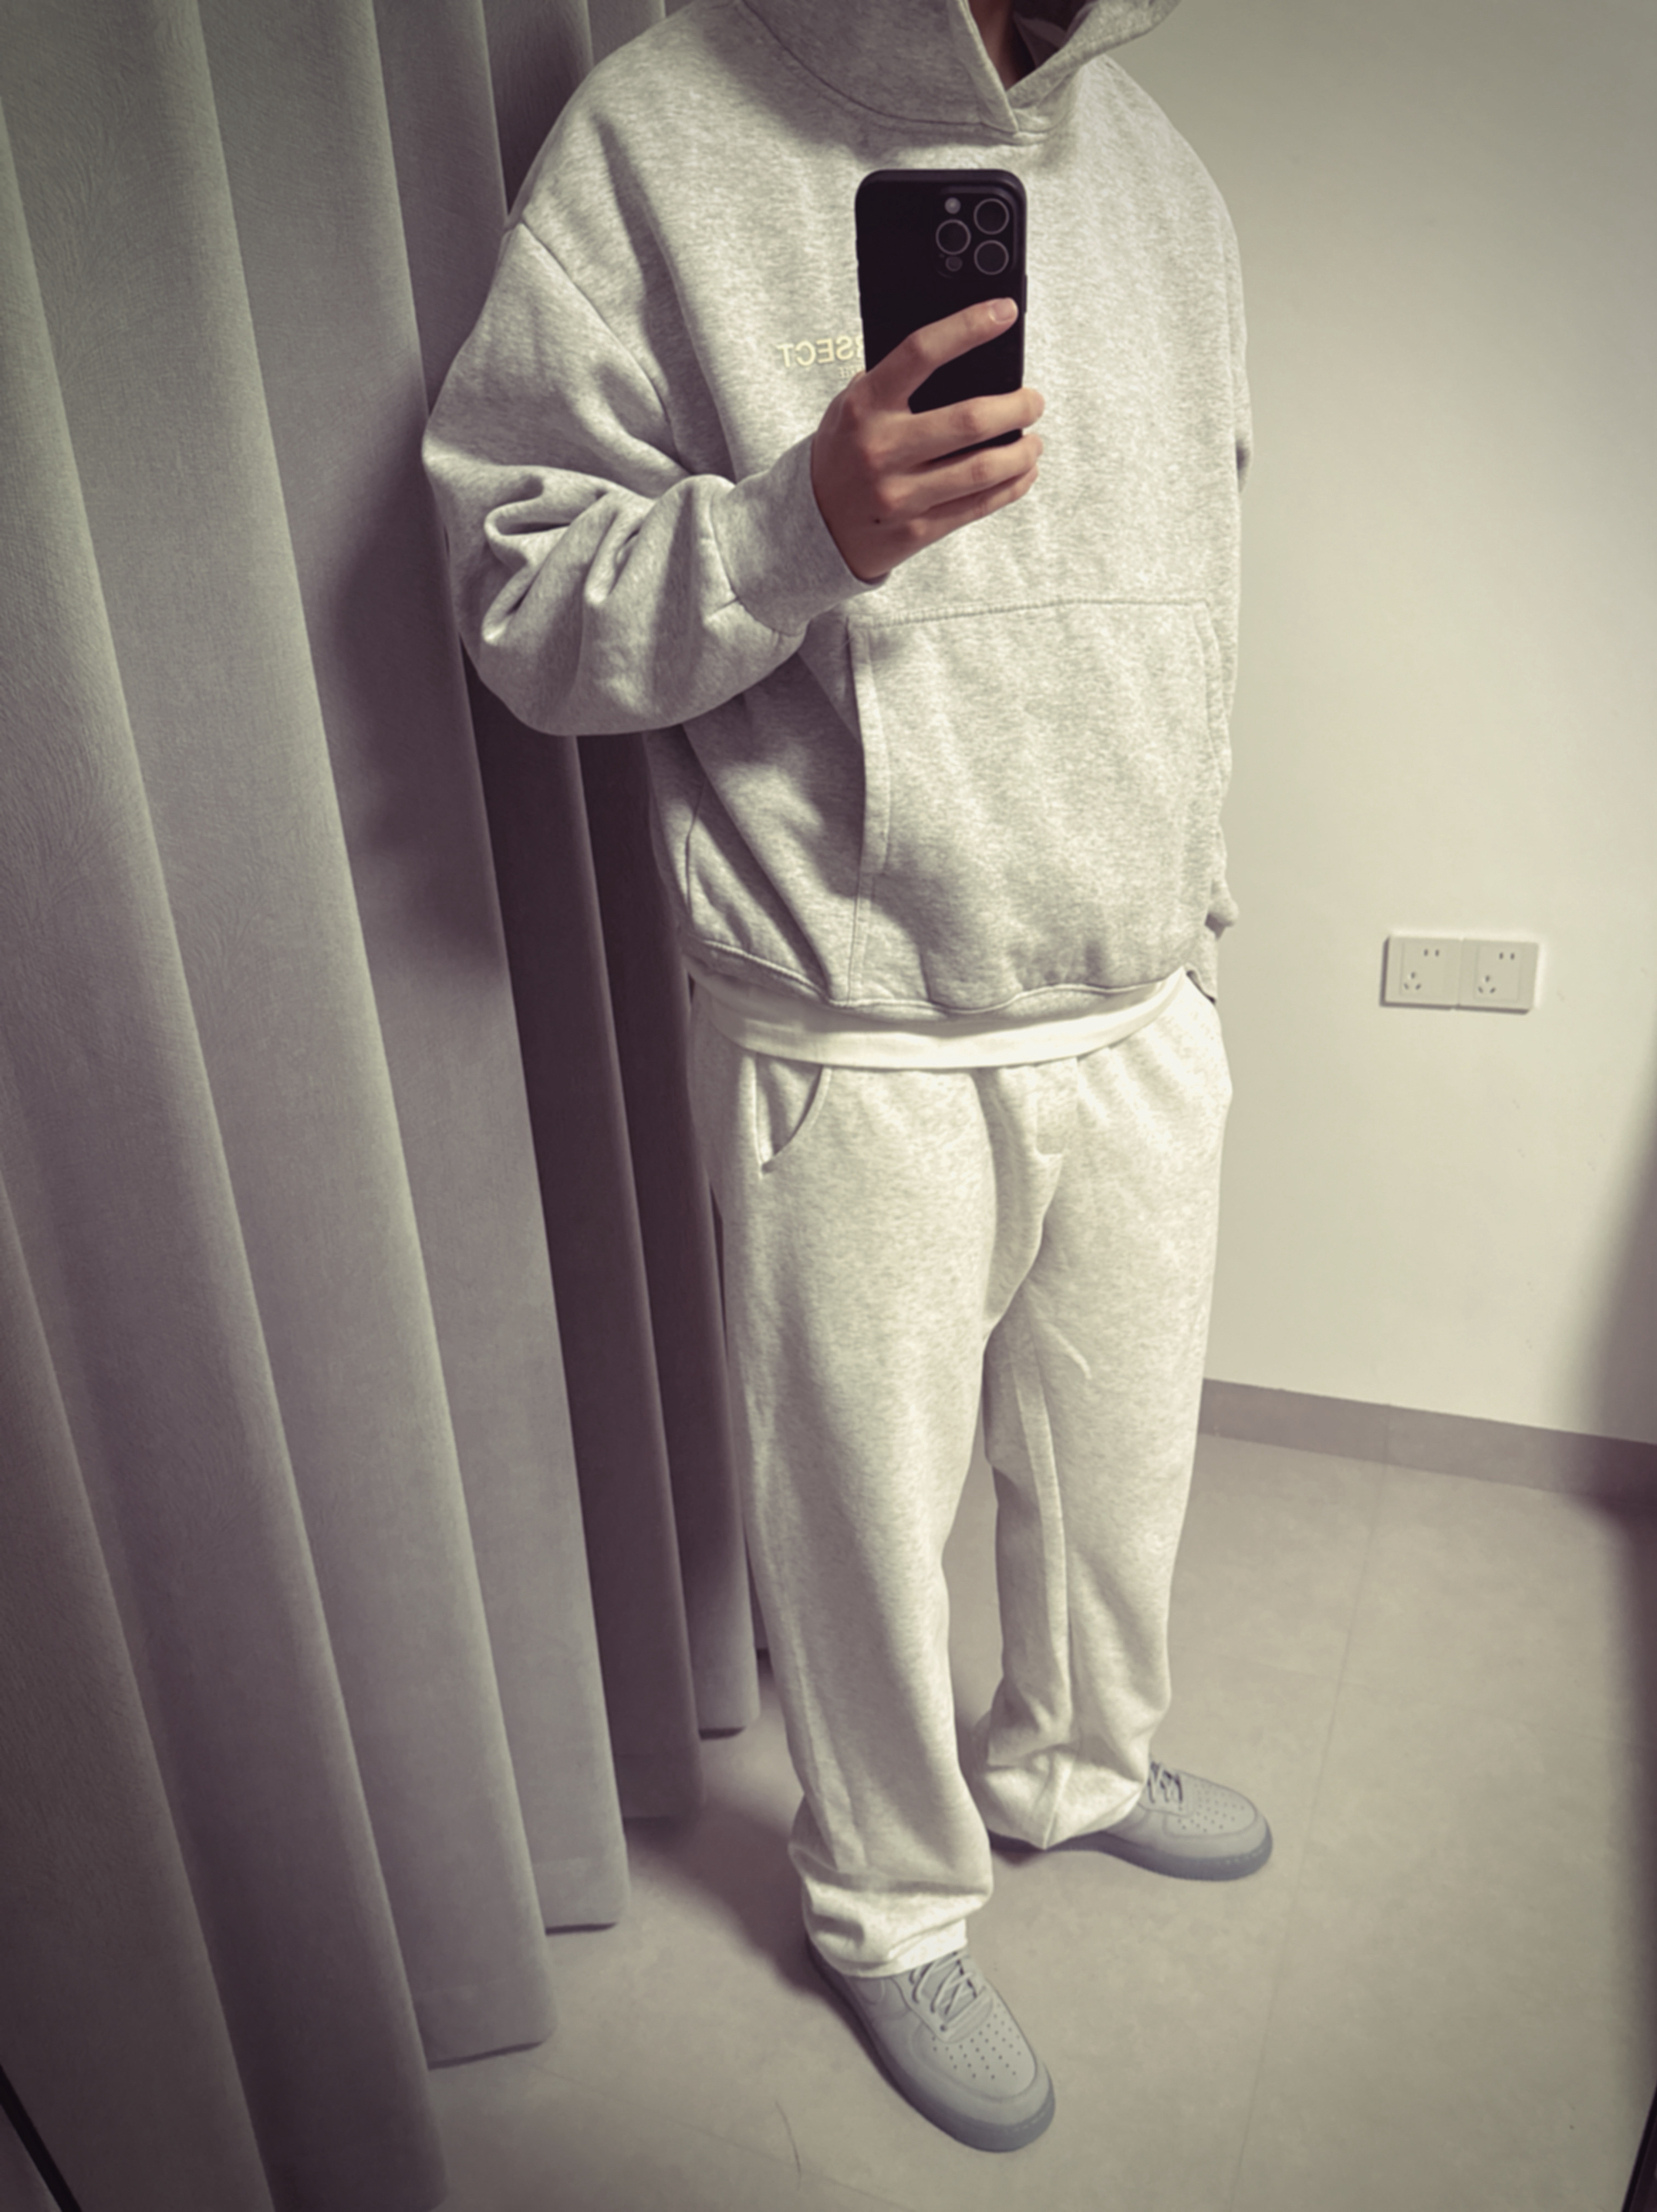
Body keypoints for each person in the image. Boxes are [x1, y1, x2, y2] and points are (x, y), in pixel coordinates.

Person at [424, 0, 1267, 2156]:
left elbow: (1193, 575)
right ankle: (888, 1903)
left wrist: (1190, 893)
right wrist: (798, 520)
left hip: (1137, 987)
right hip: (854, 1010)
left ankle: (1074, 1759)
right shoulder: (657, 134)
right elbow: (519, 603)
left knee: (1123, 1470)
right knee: (861, 1521)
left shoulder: (1158, 170)